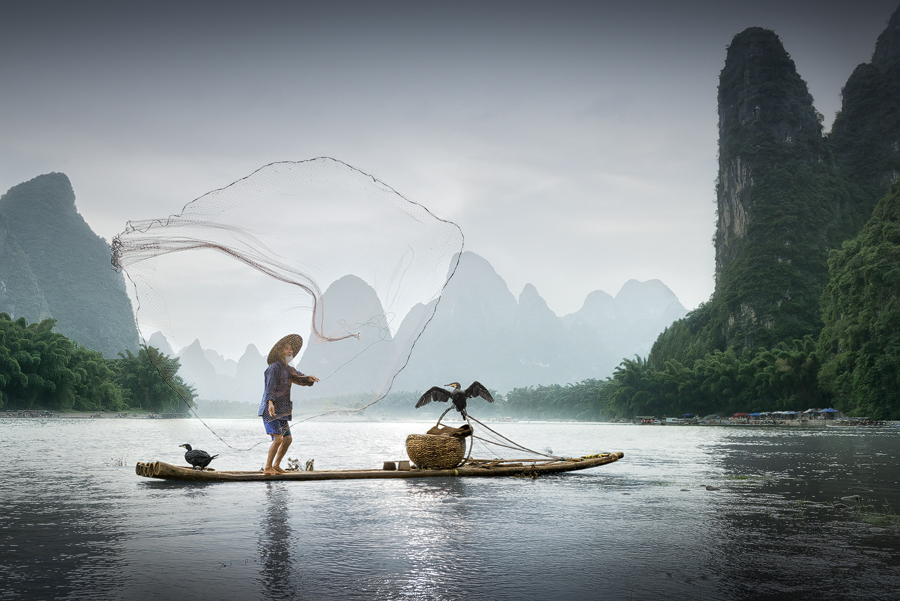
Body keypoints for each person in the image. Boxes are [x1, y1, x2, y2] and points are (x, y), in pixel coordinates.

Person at [258, 334, 318, 474]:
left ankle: (276, 465)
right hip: (270, 409)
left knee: (288, 439)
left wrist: (310, 378)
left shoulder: (288, 369)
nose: (290, 351)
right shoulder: (274, 368)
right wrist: (270, 403)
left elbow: (300, 378)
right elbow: (270, 387)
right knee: (278, 438)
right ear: (280, 352)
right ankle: (268, 467)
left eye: (291, 349)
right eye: (286, 348)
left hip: (282, 411)